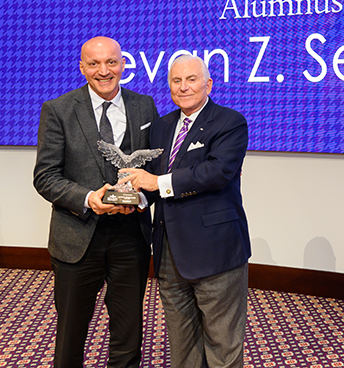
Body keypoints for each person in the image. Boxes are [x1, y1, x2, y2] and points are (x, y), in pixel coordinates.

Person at [33, 36, 158, 368]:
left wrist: (140, 198)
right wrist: (89, 198)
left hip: (131, 237)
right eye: (94, 63)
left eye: (112, 62)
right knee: (70, 335)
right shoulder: (58, 109)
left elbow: (156, 172)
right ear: (82, 67)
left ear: (123, 64)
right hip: (77, 237)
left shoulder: (144, 106)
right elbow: (45, 176)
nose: (104, 71)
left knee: (129, 334)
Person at [126, 54, 250, 368]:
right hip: (169, 255)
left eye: (191, 79)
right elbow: (151, 181)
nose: (183, 87)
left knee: (223, 347)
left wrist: (156, 182)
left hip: (215, 252)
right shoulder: (162, 126)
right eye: (176, 81)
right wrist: (133, 198)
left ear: (208, 84)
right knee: (182, 348)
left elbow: (216, 172)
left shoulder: (230, 122)